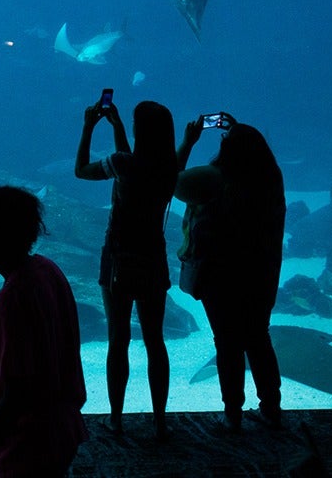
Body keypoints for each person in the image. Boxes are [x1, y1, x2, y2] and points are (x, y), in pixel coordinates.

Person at [0, 185, 88, 478]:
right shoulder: (47, 269)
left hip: (30, 444)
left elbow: (16, 396)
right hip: (61, 431)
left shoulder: (13, 298)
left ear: (1, 237)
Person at [74, 98, 180, 438]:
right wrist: (118, 127)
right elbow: (132, 164)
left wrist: (89, 126)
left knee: (117, 339)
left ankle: (116, 418)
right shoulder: (168, 169)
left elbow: (82, 170)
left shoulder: (122, 163)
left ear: (140, 132)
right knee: (155, 341)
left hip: (118, 258)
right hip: (152, 258)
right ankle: (160, 421)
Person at [176, 114, 287, 432]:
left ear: (228, 151)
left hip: (220, 276)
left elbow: (173, 181)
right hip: (261, 274)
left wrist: (188, 142)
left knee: (227, 343)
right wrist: (237, 130)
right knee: (257, 339)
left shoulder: (214, 178)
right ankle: (271, 408)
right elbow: (249, 149)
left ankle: (233, 414)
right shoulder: (270, 178)